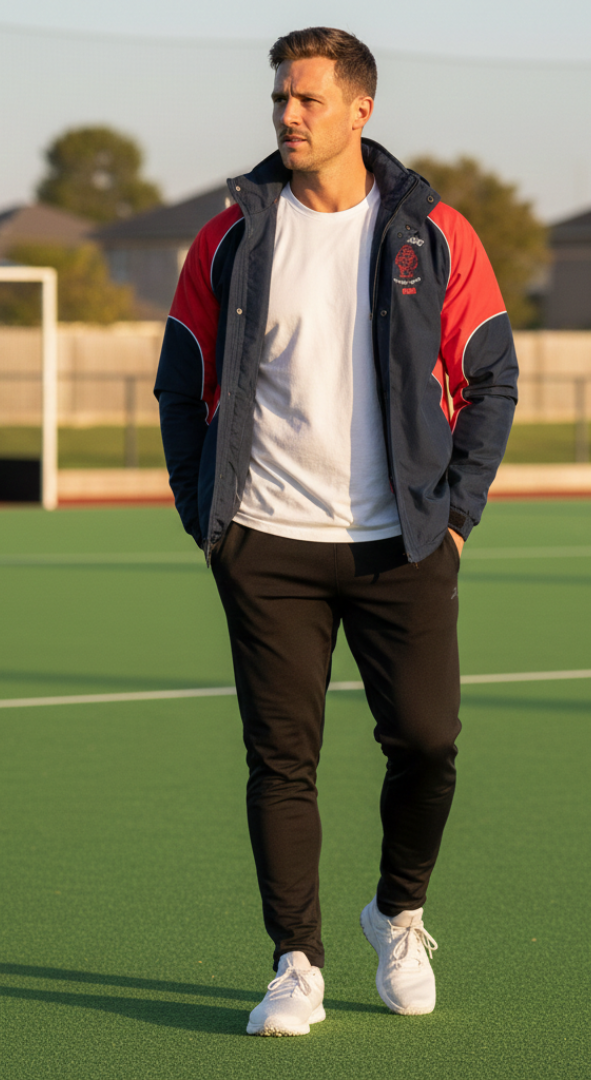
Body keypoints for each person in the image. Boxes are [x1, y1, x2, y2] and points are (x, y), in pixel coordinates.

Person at [154, 27, 517, 1036]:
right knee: (282, 759)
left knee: (429, 743)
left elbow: (491, 372)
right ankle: (294, 964)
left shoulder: (432, 230)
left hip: (401, 541)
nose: (287, 116)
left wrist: (456, 515)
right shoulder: (230, 235)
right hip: (265, 541)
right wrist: (206, 518)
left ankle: (398, 913)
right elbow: (180, 379)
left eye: (308, 99)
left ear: (361, 110)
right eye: (280, 98)